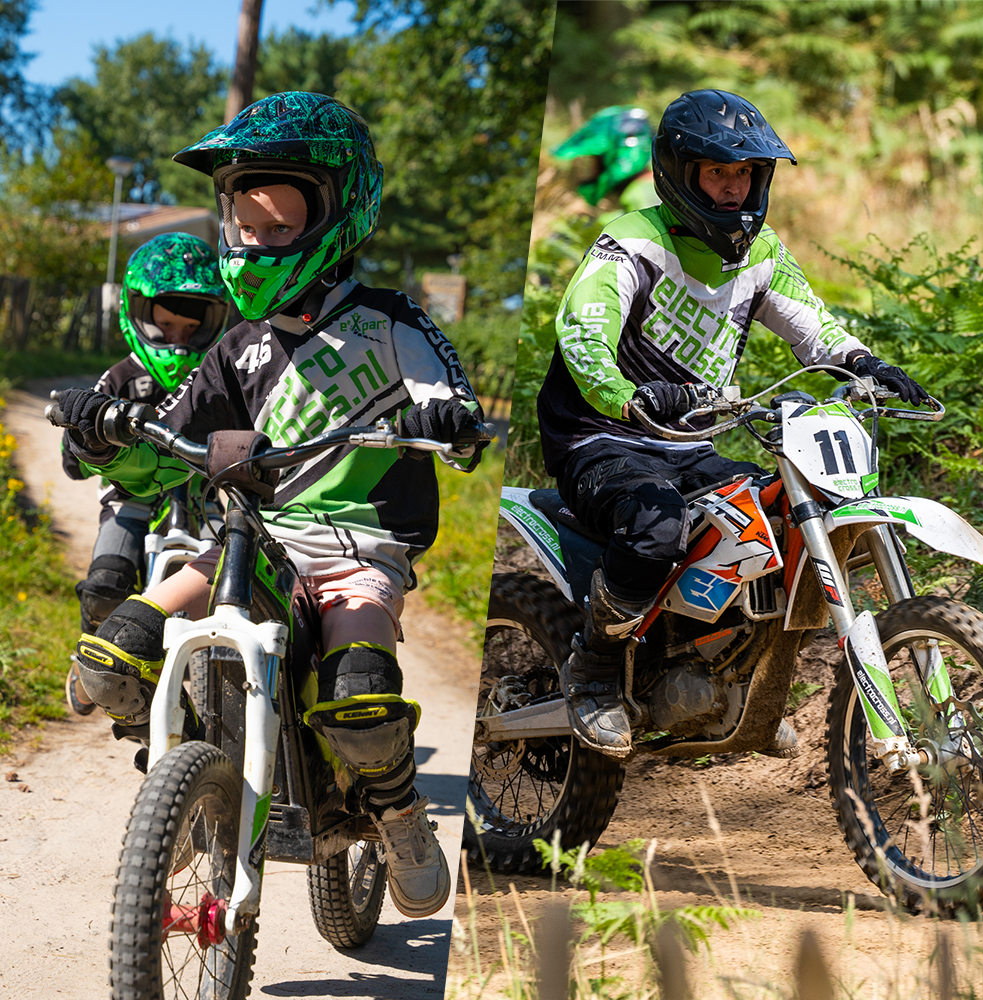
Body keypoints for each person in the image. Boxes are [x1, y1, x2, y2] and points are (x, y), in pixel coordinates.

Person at [58, 91, 486, 920]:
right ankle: (190, 786)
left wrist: (447, 419)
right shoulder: (237, 345)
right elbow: (170, 437)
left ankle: (399, 815)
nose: (257, 239)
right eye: (244, 220)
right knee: (109, 664)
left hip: (355, 550)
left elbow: (451, 398)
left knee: (361, 699)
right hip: (248, 542)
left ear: (338, 210)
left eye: (280, 219)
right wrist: (104, 430)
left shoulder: (389, 321)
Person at [536, 88, 928, 759]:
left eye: (745, 173)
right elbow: (582, 333)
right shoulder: (633, 243)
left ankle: (734, 686)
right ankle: (594, 671)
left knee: (770, 523)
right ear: (679, 172)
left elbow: (813, 326)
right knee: (657, 524)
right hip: (601, 436)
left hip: (690, 442)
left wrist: (866, 362)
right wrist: (628, 395)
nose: (732, 188)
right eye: (718, 172)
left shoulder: (760, 251)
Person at [63, 232, 228, 715]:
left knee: (236, 574)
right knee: (106, 583)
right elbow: (75, 452)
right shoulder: (119, 377)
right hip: (131, 495)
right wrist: (82, 435)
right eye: (166, 324)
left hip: (208, 495)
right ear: (139, 315)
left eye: (190, 328)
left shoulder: (220, 375)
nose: (177, 338)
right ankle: (90, 647)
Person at [550, 105, 657, 211]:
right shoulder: (647, 188)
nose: (592, 170)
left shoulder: (638, 197)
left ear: (615, 156)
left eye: (595, 159)